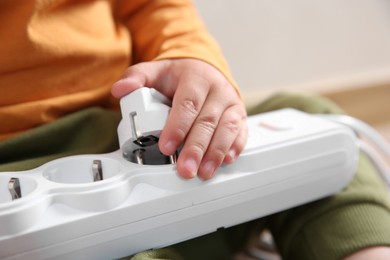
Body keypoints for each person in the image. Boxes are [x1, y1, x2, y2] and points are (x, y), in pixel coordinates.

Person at [0, 0, 389, 259]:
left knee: (310, 120)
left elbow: (154, 6)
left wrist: (189, 58)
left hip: (125, 128)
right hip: (16, 173)